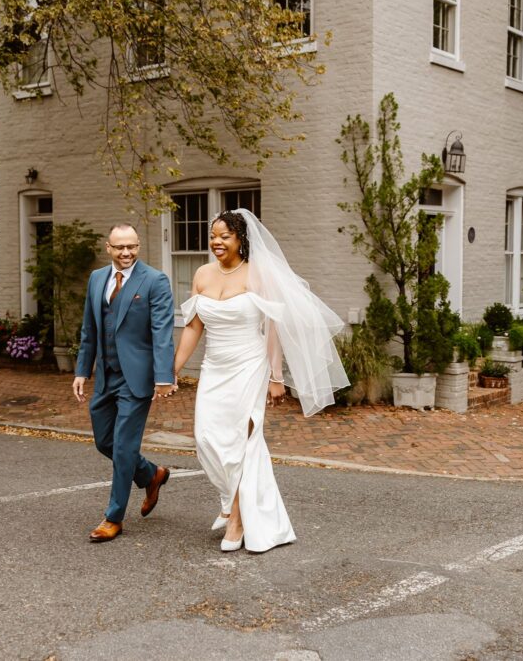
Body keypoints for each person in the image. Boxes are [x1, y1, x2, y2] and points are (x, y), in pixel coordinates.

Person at [173, 209, 349, 552]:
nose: (216, 242)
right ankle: (230, 499)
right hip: (215, 365)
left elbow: (273, 329)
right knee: (206, 438)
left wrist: (275, 376)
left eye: (225, 236)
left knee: (242, 441)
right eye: (213, 236)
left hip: (249, 365)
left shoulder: (257, 276)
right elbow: (194, 327)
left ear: (240, 240)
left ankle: (237, 520)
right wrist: (173, 369)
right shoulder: (202, 274)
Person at [73, 224, 178, 543]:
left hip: (136, 378)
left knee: (122, 447)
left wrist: (163, 376)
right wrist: (82, 370)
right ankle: (151, 474)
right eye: (120, 247)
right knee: (104, 441)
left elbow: (162, 330)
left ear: (138, 246)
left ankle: (113, 517)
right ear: (108, 248)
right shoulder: (96, 279)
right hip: (106, 375)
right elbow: (89, 329)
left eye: (132, 246)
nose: (126, 253)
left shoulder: (155, 280)